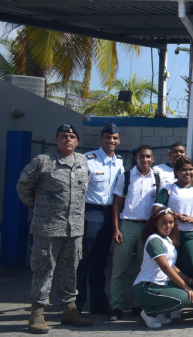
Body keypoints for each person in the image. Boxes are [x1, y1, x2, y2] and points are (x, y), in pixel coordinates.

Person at [17, 123, 92, 333]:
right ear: (56, 139)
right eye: (63, 136)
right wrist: (36, 206)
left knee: (70, 272)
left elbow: (84, 187)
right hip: (47, 229)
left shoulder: (82, 162)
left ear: (77, 141)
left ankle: (69, 310)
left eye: (71, 136)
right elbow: (23, 185)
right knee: (43, 271)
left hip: (74, 229)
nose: (68, 139)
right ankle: (37, 313)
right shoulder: (43, 161)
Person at [109, 145, 168, 321]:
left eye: (148, 157)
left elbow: (163, 204)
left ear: (153, 159)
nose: (145, 160)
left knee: (145, 269)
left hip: (149, 229)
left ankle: (138, 304)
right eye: (141, 157)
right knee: (119, 269)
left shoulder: (158, 178)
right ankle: (116, 306)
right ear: (136, 158)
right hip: (127, 226)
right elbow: (116, 203)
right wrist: (116, 228)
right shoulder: (126, 177)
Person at [77, 122, 123, 315]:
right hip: (91, 213)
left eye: (114, 138)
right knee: (84, 260)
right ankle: (77, 304)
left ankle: (98, 303)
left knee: (101, 261)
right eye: (107, 137)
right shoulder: (88, 159)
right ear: (101, 139)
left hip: (110, 214)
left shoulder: (120, 162)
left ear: (118, 141)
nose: (111, 141)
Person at [132, 208, 193, 328]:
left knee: (188, 291)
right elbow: (165, 267)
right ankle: (149, 313)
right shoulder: (154, 240)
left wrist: (190, 281)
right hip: (147, 287)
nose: (168, 226)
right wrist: (186, 287)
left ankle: (159, 314)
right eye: (163, 222)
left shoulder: (168, 240)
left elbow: (173, 267)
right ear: (155, 223)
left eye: (171, 222)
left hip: (159, 286)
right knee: (185, 298)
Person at [152, 157, 193, 279]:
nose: (188, 173)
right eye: (184, 170)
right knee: (173, 266)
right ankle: (176, 294)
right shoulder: (168, 189)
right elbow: (156, 210)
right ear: (176, 172)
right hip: (172, 234)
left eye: (191, 169)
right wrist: (175, 217)